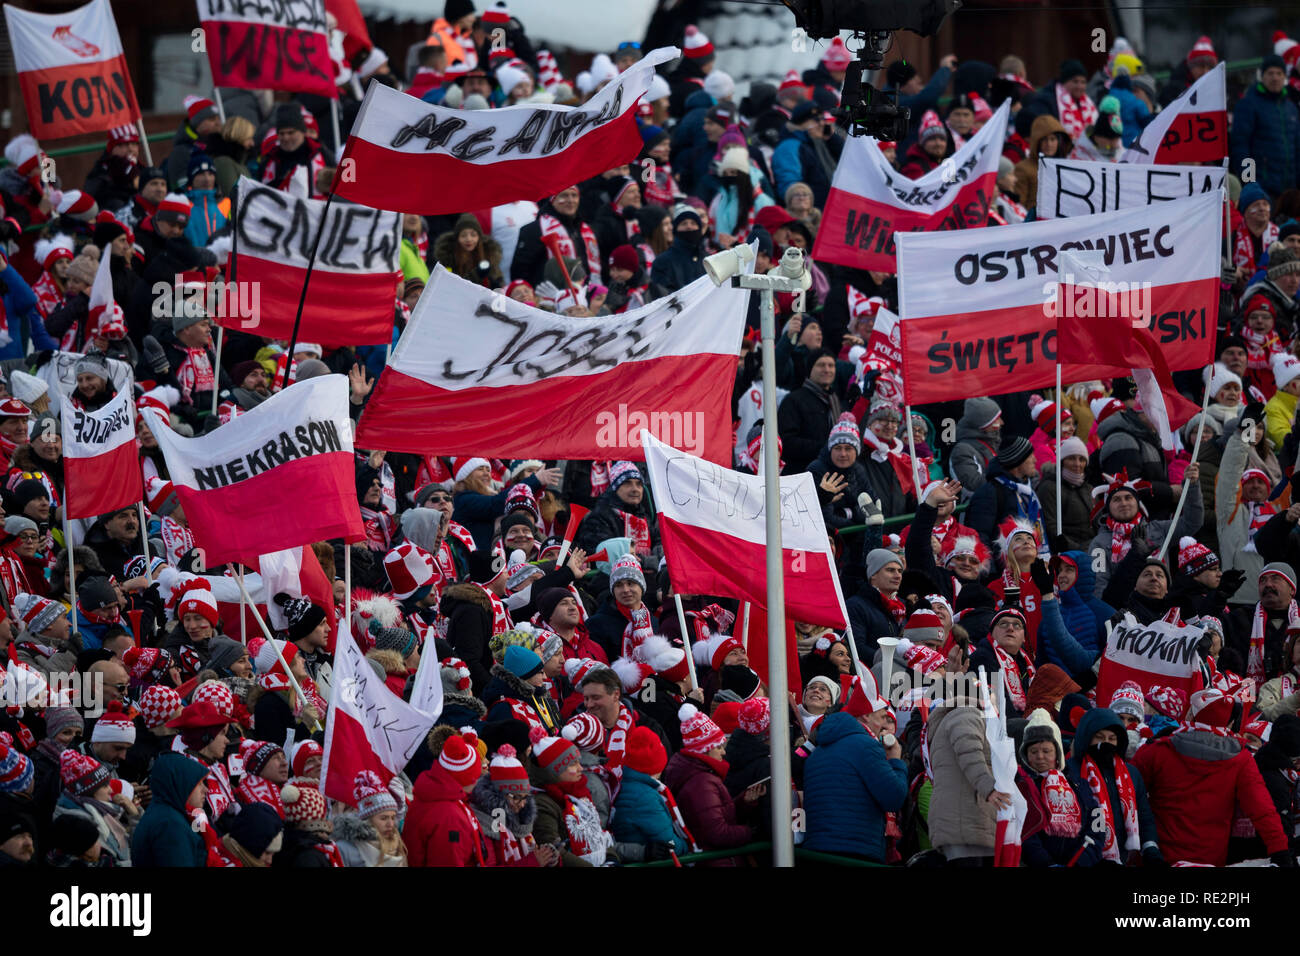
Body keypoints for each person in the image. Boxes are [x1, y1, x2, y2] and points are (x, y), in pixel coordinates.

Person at [1134, 689, 1291, 866]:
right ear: (1229, 723)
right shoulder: (1241, 759)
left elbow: (1128, 794)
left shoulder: (1158, 750)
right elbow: (1261, 808)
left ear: (1191, 714)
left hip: (1157, 856)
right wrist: (1280, 850)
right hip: (1209, 859)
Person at [802, 683, 907, 863]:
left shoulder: (818, 751)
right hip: (855, 850)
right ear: (866, 716)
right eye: (882, 717)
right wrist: (896, 761)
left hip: (818, 850)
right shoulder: (866, 746)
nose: (883, 724)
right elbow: (894, 797)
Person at [1065, 707, 1164, 866]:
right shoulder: (1070, 771)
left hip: (1123, 858)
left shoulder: (1130, 773)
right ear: (1087, 738)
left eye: (1112, 738)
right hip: (1084, 858)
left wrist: (1150, 848)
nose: (1106, 743)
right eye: (1099, 737)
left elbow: (1144, 815)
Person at [1018, 708, 1103, 867]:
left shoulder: (1078, 783)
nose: (1040, 757)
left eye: (1046, 751)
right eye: (1033, 751)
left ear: (1057, 754)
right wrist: (1046, 863)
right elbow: (1026, 833)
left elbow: (1097, 824)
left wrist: (1082, 861)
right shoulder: (1022, 787)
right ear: (1025, 755)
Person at [1231, 53, 1300, 201]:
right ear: (1262, 76)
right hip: (1262, 191)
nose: (1275, 77)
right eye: (1270, 73)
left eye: (1279, 73)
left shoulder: (1291, 108)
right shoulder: (1248, 105)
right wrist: (1249, 183)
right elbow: (1240, 147)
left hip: (1289, 192)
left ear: (1284, 77)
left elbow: (1297, 149)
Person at [129, 752, 208, 867]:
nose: (206, 790)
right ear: (181, 783)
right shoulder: (170, 825)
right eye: (199, 783)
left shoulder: (169, 814)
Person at [777, 351, 843, 475]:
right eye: (821, 365)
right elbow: (786, 441)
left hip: (832, 474)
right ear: (810, 369)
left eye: (831, 365)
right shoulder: (794, 400)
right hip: (802, 474)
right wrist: (825, 447)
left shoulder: (835, 400)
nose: (827, 369)